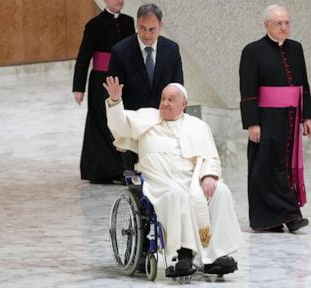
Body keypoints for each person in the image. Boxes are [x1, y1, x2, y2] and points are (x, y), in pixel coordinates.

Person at [104, 76, 243, 277]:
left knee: (220, 191)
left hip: (192, 180)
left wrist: (209, 177)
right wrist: (116, 101)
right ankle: (183, 254)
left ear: (184, 104)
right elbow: (119, 125)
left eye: (171, 100)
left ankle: (215, 255)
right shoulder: (147, 118)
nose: (165, 104)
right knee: (177, 195)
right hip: (159, 182)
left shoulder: (198, 126)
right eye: (163, 99)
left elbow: (210, 157)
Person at [239, 4, 310, 232]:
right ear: (266, 25)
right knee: (264, 167)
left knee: (285, 166)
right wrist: (252, 123)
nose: (284, 27)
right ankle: (276, 218)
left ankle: (284, 216)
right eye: (279, 23)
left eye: (287, 22)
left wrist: (307, 116)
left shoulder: (296, 48)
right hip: (266, 119)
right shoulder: (253, 50)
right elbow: (247, 88)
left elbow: (303, 86)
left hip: (290, 118)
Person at [108, 3, 183, 170]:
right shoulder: (120, 52)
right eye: (142, 28)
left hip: (164, 127)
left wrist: (180, 126)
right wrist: (120, 133)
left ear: (161, 26)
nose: (147, 34)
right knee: (136, 181)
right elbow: (113, 97)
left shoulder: (172, 49)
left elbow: (179, 90)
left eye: (152, 29)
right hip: (133, 129)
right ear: (136, 24)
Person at [72, 0, 135, 184]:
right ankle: (106, 170)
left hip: (124, 80)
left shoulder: (129, 22)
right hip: (101, 81)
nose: (119, 1)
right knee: (104, 123)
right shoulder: (94, 25)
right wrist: (78, 87)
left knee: (123, 121)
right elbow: (83, 57)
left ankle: (126, 168)